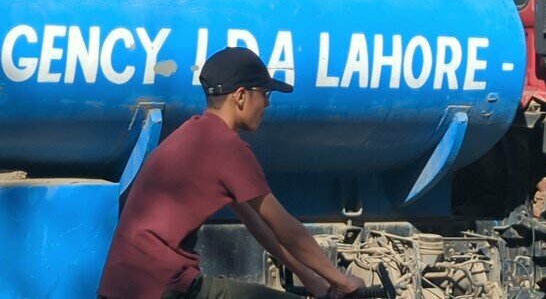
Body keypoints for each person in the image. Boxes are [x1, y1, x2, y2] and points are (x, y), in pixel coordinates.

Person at [98, 46, 365, 299]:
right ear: (240, 96)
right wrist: (343, 280)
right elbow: (289, 231)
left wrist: (314, 281)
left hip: (129, 284)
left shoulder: (195, 134)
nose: (268, 105)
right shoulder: (226, 148)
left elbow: (260, 225)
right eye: (265, 94)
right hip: (161, 287)